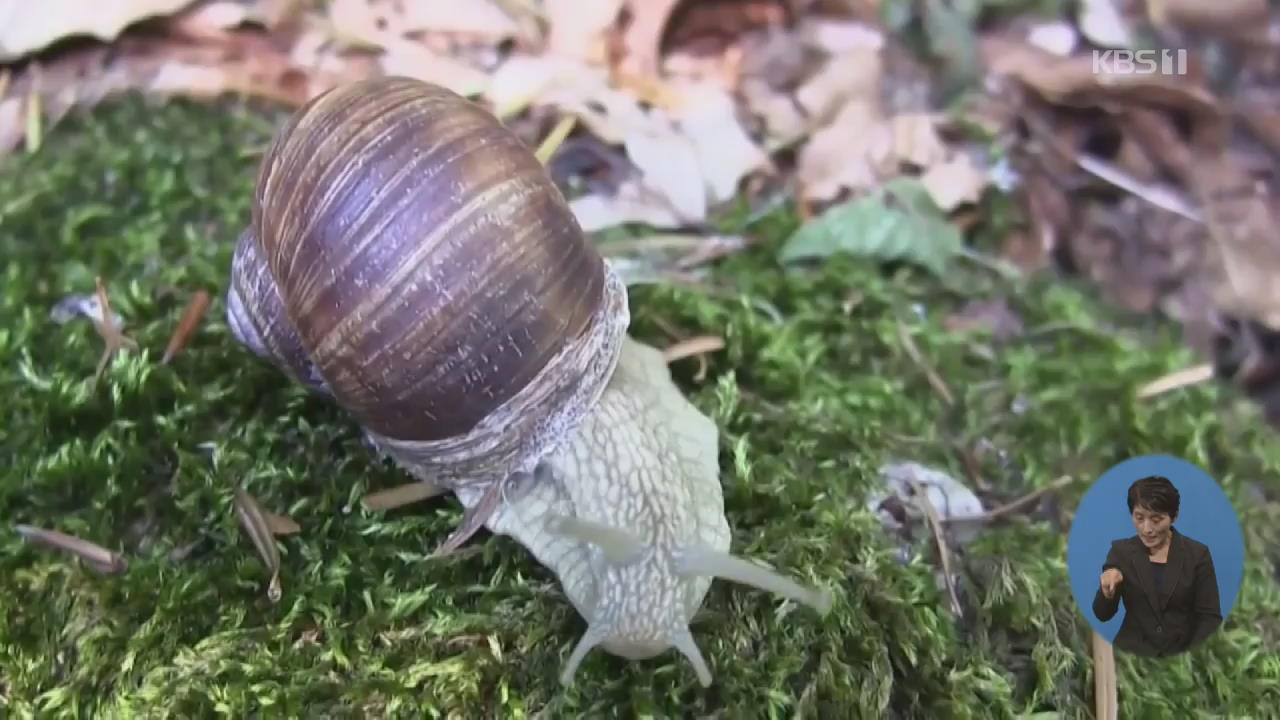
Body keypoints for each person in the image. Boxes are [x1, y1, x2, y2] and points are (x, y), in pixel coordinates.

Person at [1092, 474, 1223, 657]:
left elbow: (1210, 617)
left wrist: (1190, 658)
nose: (1147, 529)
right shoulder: (1121, 551)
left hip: (1182, 656)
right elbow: (1102, 614)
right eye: (1139, 518)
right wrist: (1107, 593)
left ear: (1174, 517)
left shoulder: (1197, 554)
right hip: (1131, 657)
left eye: (1156, 519)